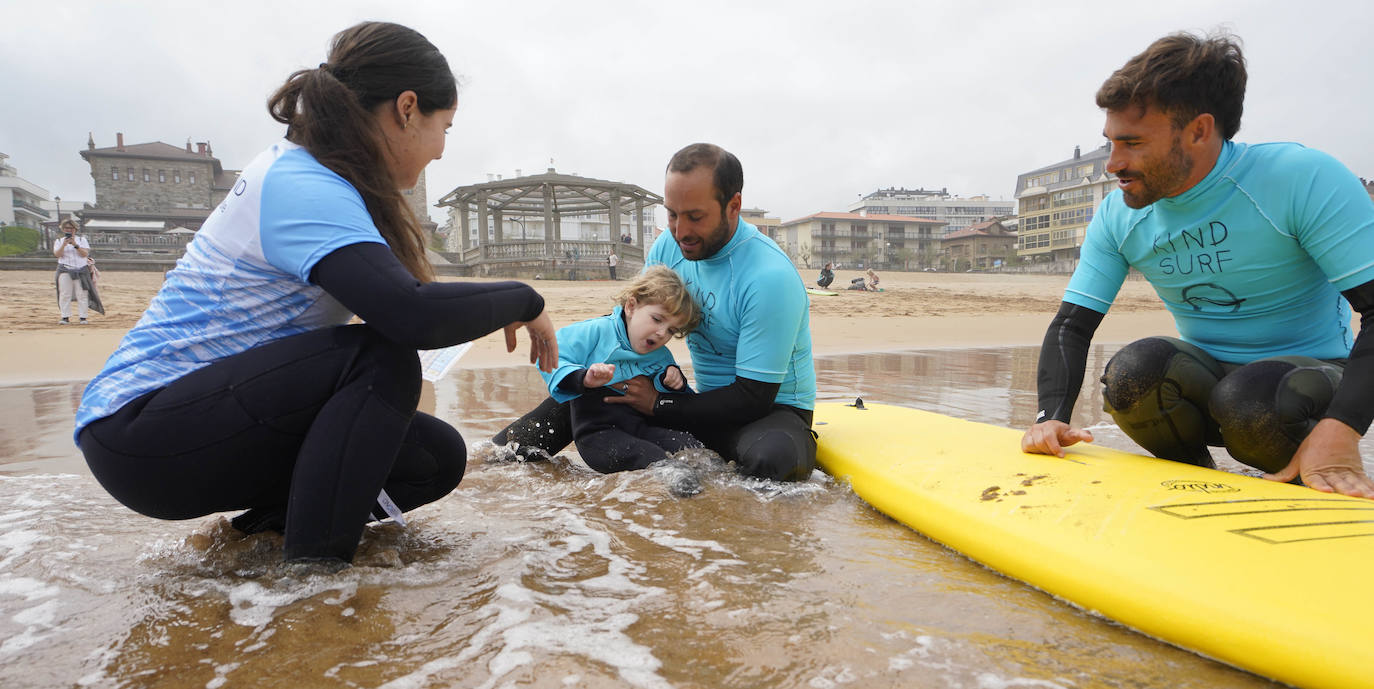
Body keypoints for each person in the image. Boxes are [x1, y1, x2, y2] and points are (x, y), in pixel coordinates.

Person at [73, 21, 559, 566]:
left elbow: (408, 298)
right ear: (406, 108)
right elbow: (412, 315)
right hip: (142, 433)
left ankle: (258, 547)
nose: (443, 150)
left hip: (188, 425)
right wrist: (525, 299)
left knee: (433, 457)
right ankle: (315, 587)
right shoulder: (301, 183)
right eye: (445, 126)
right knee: (383, 357)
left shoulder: (320, 178)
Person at [1020, 32, 1374, 499]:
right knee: (1132, 373)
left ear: (1199, 131)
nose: (1113, 163)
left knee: (1249, 398)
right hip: (1206, 382)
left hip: (1305, 387)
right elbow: (1071, 327)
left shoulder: (1298, 179)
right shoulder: (1120, 214)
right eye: (1110, 143)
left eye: (1132, 143)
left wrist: (1341, 429)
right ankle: (1198, 484)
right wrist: (1051, 418)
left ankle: (1309, 477)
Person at [495, 143, 818, 481]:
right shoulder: (670, 247)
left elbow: (754, 398)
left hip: (767, 412)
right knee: (568, 404)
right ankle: (483, 469)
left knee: (774, 461)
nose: (680, 231)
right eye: (672, 214)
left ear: (733, 205)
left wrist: (660, 405)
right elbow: (627, 329)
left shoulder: (769, 277)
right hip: (698, 403)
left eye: (695, 216)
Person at [541, 265, 700, 474]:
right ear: (631, 306)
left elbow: (675, 405)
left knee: (693, 447)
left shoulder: (662, 355)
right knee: (656, 461)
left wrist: (676, 383)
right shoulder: (598, 331)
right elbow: (550, 352)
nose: (662, 333)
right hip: (598, 434)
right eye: (657, 319)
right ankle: (685, 491)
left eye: (671, 330)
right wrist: (583, 378)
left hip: (641, 429)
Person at [54, 218, 103, 324]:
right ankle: (65, 316)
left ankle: (83, 317)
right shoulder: (59, 241)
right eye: (66, 228)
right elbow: (57, 255)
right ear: (63, 229)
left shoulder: (81, 240)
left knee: (82, 293)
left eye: (71, 228)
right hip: (64, 269)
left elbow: (85, 254)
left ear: (75, 229)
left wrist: (75, 245)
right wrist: (64, 245)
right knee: (65, 293)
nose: (69, 230)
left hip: (81, 269)